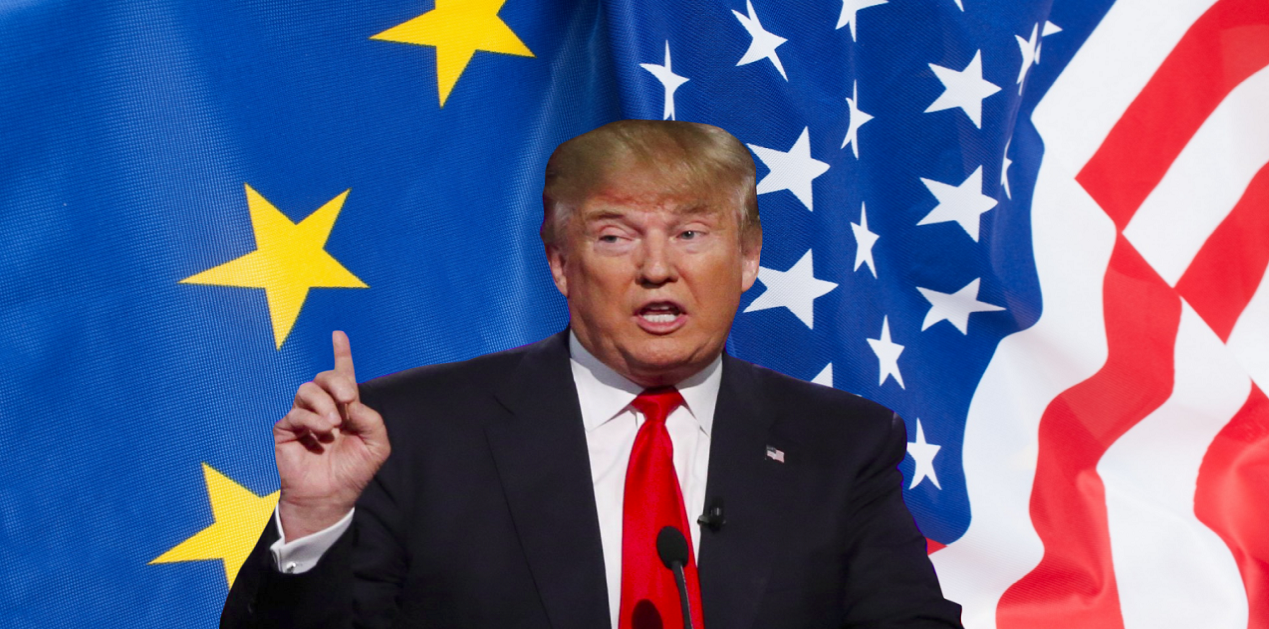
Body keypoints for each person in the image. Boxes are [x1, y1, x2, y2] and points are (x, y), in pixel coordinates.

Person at [221, 120, 963, 629]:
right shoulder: (408, 431)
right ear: (559, 263)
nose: (656, 267)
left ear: (747, 259)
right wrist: (315, 522)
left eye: (691, 233)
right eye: (614, 236)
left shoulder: (838, 443)